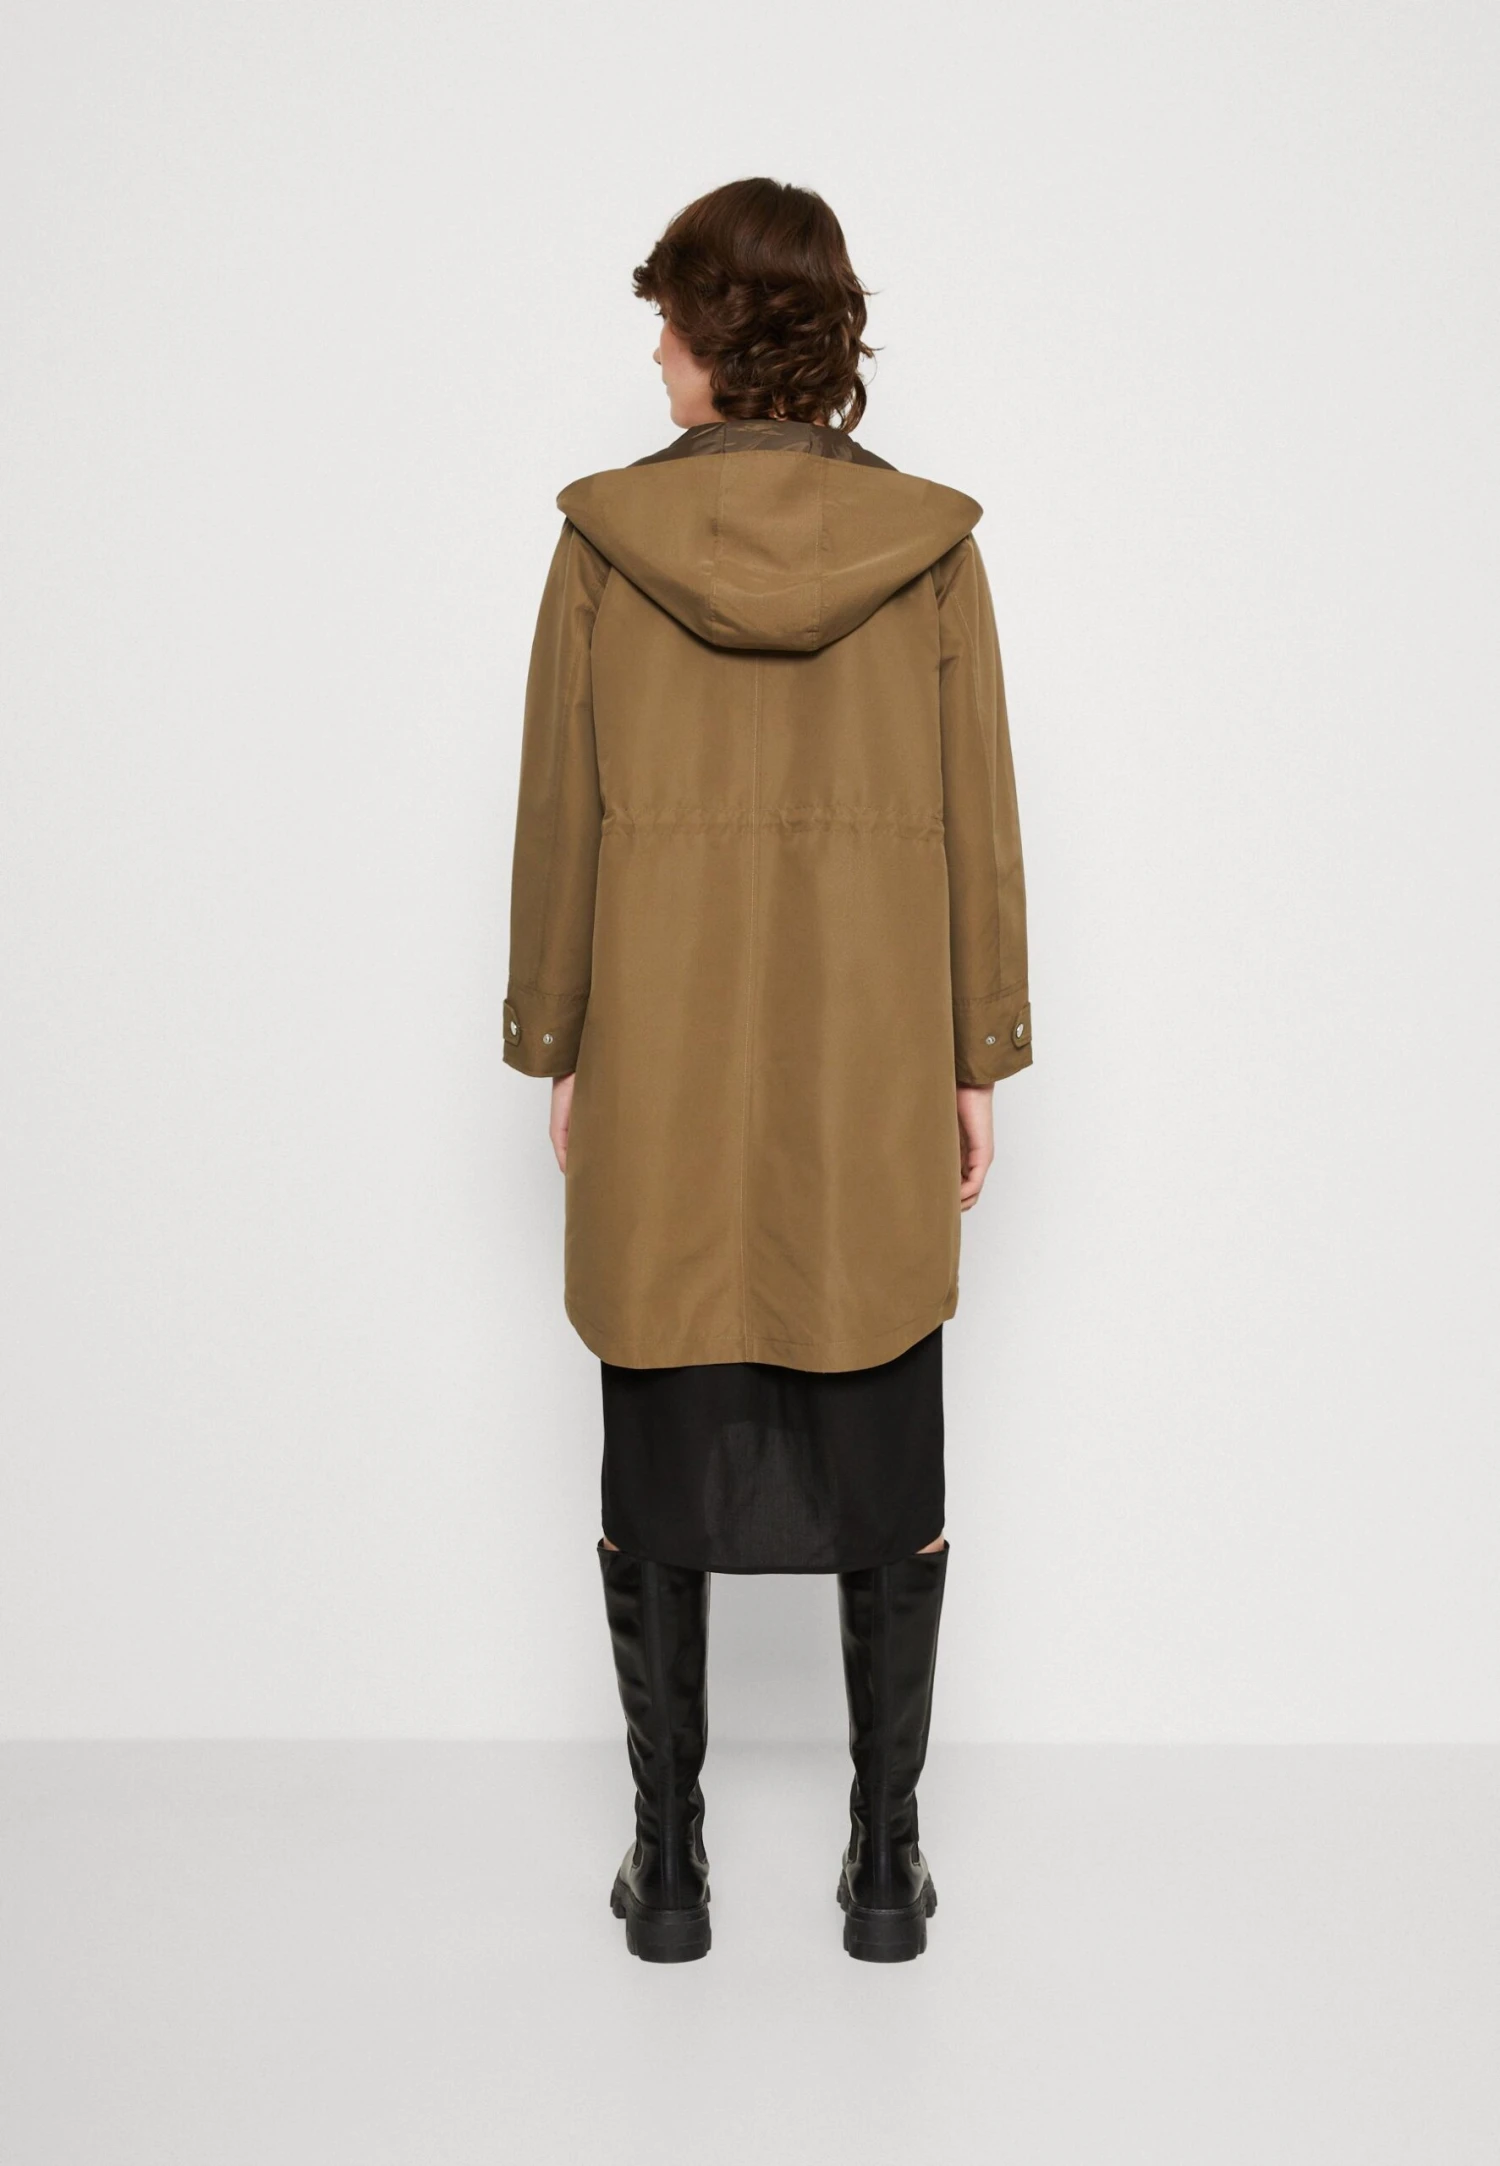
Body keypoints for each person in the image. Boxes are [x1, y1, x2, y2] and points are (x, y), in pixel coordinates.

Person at [503, 177, 1032, 1964]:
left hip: (660, 1058)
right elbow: (980, 820)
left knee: (658, 1421)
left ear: (718, 336)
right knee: (887, 1427)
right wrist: (975, 1054)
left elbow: (558, 817)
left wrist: (559, 1039)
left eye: (666, 318)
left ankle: (669, 1872)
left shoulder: (601, 546)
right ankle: (885, 1870)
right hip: (867, 1067)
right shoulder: (932, 552)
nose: (652, 350)